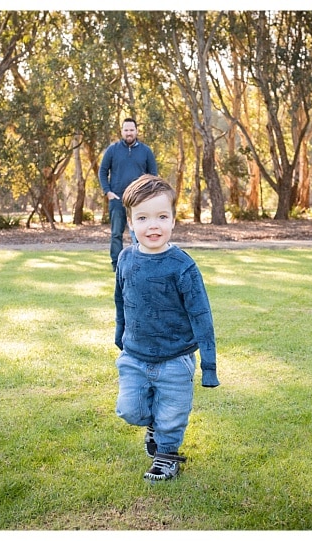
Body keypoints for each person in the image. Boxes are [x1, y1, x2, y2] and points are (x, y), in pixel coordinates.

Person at [113, 174, 220, 482]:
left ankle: (166, 456)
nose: (153, 225)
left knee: (172, 416)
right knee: (128, 410)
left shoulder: (182, 266)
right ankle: (155, 426)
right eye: (143, 218)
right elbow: (121, 299)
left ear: (174, 221)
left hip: (176, 358)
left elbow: (202, 315)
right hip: (134, 354)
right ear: (131, 223)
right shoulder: (125, 259)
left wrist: (209, 366)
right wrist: (119, 333)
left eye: (162, 216)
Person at [99, 118, 159, 271]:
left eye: (131, 130)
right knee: (116, 234)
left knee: (138, 233)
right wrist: (108, 192)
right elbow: (103, 171)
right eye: (126, 130)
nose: (129, 133)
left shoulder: (146, 151)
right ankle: (117, 265)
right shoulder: (113, 150)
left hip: (138, 201)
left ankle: (140, 263)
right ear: (122, 131)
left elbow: (153, 175)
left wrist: (148, 195)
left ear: (136, 131)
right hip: (117, 199)